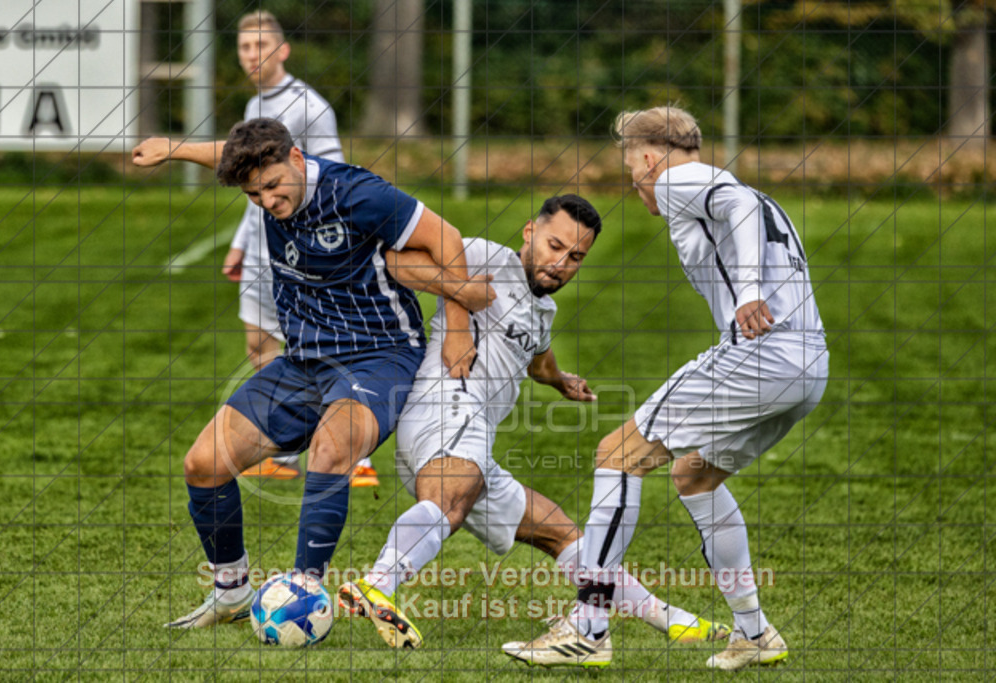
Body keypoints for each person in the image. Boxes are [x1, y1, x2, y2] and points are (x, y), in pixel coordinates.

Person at [131, 117, 495, 629]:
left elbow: (446, 237)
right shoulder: (267, 172)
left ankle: (304, 591)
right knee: (203, 464)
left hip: (380, 354)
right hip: (304, 360)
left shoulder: (358, 194)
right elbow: (230, 154)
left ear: (297, 159)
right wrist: (172, 148)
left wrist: (457, 328)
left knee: (332, 446)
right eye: (254, 195)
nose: (267, 201)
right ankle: (231, 591)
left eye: (274, 187)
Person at [335, 195, 730, 661]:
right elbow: (396, 260)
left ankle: (674, 621)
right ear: (529, 232)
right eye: (554, 246)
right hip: (447, 407)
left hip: (469, 436)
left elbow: (539, 361)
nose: (560, 264)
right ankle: (377, 584)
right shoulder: (484, 256)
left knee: (561, 533)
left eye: (575, 257)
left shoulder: (543, 311)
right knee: (449, 499)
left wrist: (561, 381)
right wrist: (458, 309)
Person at [504, 106, 829, 670]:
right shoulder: (750, 196)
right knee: (694, 476)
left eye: (633, 170)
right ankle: (754, 633)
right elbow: (740, 207)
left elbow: (736, 207)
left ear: (651, 157)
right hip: (808, 363)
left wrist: (750, 291)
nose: (636, 184)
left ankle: (587, 628)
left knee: (617, 456)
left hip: (760, 354)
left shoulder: (679, 180)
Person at [224, 11, 374, 485]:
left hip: (300, 252)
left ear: (283, 50)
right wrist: (240, 243)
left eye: (261, 45)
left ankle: (356, 457)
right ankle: (286, 452)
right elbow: (255, 190)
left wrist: (326, 250)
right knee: (260, 346)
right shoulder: (254, 106)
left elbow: (332, 180)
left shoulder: (310, 105)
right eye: (245, 46)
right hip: (259, 250)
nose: (252, 54)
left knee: (322, 350)